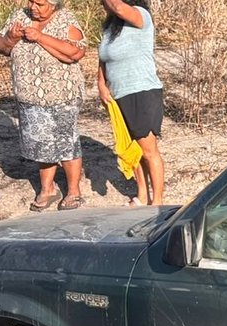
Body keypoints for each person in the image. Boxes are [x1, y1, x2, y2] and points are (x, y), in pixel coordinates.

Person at [0, 0, 88, 212]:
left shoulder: (66, 19)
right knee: (41, 142)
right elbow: (0, 45)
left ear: (54, 5)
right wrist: (11, 38)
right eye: (32, 1)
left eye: (40, 3)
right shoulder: (20, 15)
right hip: (29, 96)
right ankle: (47, 188)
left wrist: (40, 37)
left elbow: (76, 52)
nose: (33, 6)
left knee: (66, 141)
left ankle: (73, 191)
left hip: (62, 94)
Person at [97, 0, 165, 205]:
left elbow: (118, 7)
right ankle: (142, 194)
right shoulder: (110, 27)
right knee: (132, 149)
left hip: (141, 91)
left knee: (148, 149)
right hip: (118, 94)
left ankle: (158, 200)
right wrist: (101, 84)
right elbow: (103, 58)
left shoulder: (141, 15)